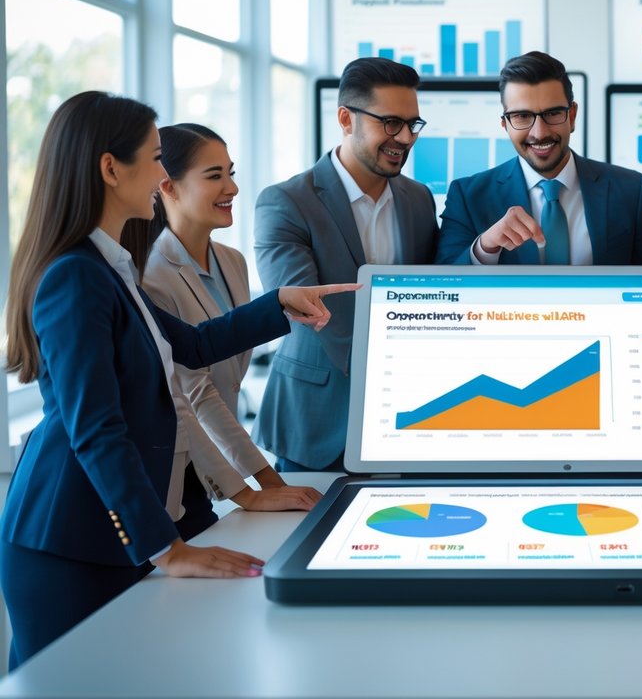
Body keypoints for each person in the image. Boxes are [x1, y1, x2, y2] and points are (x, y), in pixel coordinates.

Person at [0, 92, 353, 667]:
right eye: (155, 157)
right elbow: (95, 428)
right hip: (68, 539)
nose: (163, 174)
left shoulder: (110, 269)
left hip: (110, 530)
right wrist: (167, 547)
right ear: (111, 169)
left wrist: (279, 303)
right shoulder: (76, 277)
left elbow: (191, 345)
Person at [121, 122, 322, 510]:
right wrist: (258, 487)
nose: (231, 188)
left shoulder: (233, 262)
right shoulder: (149, 275)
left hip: (219, 466)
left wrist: (268, 485)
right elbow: (196, 391)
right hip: (178, 472)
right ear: (167, 186)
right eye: (214, 176)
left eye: (230, 173)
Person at [255, 58, 439, 472]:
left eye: (413, 124)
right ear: (345, 118)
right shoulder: (285, 201)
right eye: (391, 123)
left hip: (407, 419)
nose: (405, 137)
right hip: (318, 422)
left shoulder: (418, 199)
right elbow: (307, 308)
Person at [436, 51, 642, 265]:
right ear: (505, 125)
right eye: (522, 116)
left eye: (553, 113)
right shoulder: (467, 196)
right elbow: (441, 284)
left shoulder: (631, 190)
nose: (540, 132)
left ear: (572, 116)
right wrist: (485, 247)